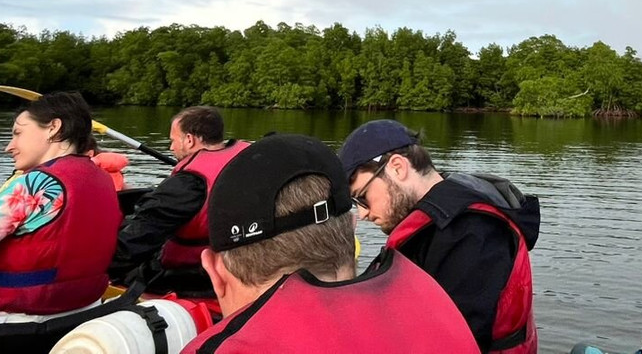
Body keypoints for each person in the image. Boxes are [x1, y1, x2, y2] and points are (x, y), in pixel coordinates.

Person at [182, 133, 480, 353]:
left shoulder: (462, 235)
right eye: (356, 204)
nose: (363, 214)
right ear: (349, 236)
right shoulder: (431, 300)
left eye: (362, 197)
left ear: (215, 271)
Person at [340, 119, 541, 354]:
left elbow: (456, 343)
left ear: (397, 167)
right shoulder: (436, 222)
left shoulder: (472, 231)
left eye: (362, 197)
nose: (362, 213)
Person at [1, 92, 122, 314]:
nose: (9, 146)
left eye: (18, 133)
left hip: (22, 312)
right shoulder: (103, 179)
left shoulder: (34, 183)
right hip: (83, 305)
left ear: (53, 128)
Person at [110, 106, 249, 294]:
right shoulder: (249, 158)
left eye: (173, 140)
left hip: (196, 275)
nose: (171, 147)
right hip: (244, 260)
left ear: (189, 140)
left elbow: (132, 246)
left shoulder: (186, 185)